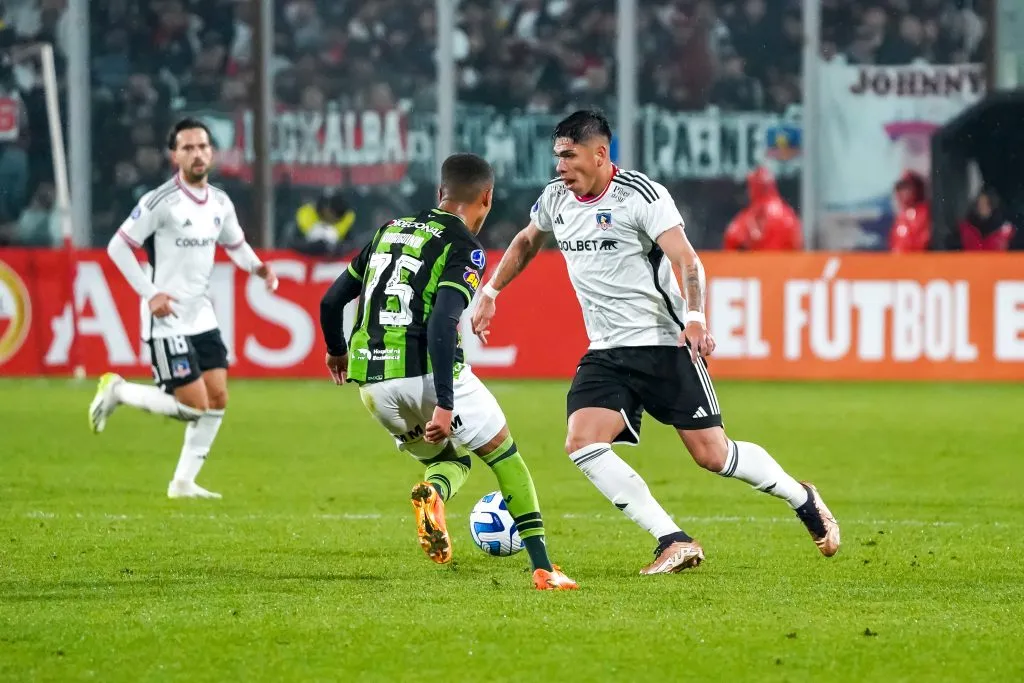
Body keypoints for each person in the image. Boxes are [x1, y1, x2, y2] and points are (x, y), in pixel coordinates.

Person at [472, 110, 839, 575]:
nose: (559, 165)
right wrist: (489, 293)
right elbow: (526, 242)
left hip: (663, 344)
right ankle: (673, 539)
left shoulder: (641, 196)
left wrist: (696, 318)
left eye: (568, 155)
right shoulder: (554, 200)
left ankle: (800, 496)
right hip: (606, 350)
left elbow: (686, 259)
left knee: (714, 454)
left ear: (600, 154)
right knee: (582, 442)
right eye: (557, 156)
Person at [318, 152, 577, 591]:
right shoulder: (465, 248)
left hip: (373, 387)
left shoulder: (388, 231)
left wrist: (335, 349)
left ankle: (434, 494)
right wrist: (444, 402)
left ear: (440, 193)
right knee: (505, 457)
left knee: (448, 460)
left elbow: (330, 301)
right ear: (487, 198)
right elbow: (441, 322)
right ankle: (544, 569)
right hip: (426, 374)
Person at [88, 118, 279, 499]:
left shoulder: (220, 202)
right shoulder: (160, 202)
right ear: (174, 155)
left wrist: (257, 265)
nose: (197, 154)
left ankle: (182, 482)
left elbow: (235, 244)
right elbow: (117, 247)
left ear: (212, 152)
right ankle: (119, 390)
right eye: (188, 148)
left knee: (218, 398)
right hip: (166, 319)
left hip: (201, 314)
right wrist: (150, 293)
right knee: (193, 406)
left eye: (203, 147)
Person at [723, 166, 802, 251]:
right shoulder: (789, 216)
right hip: (786, 263)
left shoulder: (748, 217)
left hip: (757, 263)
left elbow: (731, 239)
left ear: (752, 188)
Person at [956, 186, 1015, 251]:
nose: (982, 207)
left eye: (986, 203)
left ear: (993, 205)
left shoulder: (1006, 231)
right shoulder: (964, 229)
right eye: (980, 203)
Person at [888, 170, 931, 253]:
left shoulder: (924, 213)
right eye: (900, 188)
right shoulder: (901, 216)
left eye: (906, 188)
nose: (902, 193)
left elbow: (922, 243)